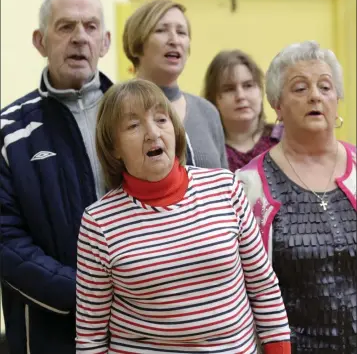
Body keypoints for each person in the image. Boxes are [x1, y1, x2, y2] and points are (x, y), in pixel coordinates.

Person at [75, 78, 291, 354]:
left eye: (161, 119)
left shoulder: (225, 188)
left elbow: (264, 289)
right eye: (133, 125)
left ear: (175, 130)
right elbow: (90, 335)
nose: (152, 133)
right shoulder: (99, 223)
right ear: (113, 147)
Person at [0, 0, 112, 353]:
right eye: (66, 27)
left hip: (141, 328)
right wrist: (84, 291)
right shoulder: (9, 131)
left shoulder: (145, 117)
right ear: (40, 41)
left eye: (90, 27)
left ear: (105, 42)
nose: (80, 38)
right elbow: (6, 241)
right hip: (48, 335)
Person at [237, 41, 357, 353]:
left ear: (337, 99)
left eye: (325, 87)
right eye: (300, 88)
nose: (315, 96)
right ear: (277, 104)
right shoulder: (248, 186)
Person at [123, 0, 228, 169]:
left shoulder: (207, 112)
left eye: (181, 32)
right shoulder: (117, 109)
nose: (174, 40)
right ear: (138, 42)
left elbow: (225, 184)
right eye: (161, 30)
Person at [203, 49, 283, 172]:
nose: (240, 96)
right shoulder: (208, 152)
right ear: (213, 99)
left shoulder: (284, 139)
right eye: (229, 89)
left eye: (248, 85)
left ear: (261, 91)